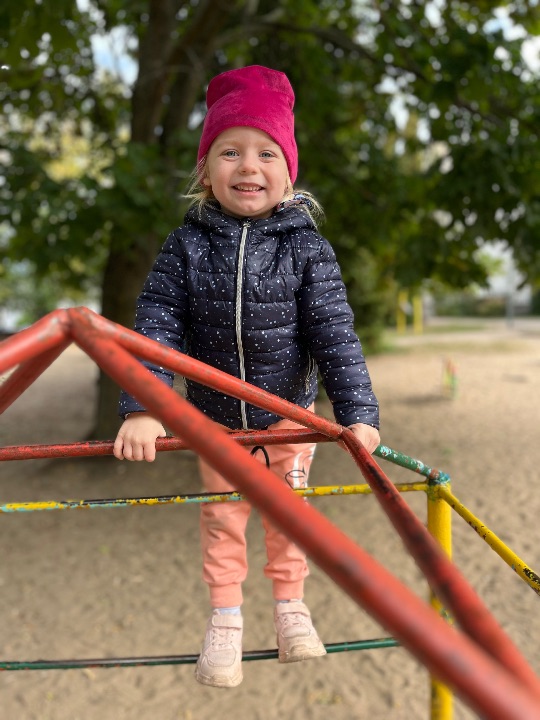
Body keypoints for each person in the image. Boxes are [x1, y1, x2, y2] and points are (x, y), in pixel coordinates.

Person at [113, 65, 380, 689]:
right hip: (216, 423)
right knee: (222, 519)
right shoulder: (185, 246)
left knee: (289, 515)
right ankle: (226, 621)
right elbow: (155, 327)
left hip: (288, 417)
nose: (247, 166)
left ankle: (291, 610)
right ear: (206, 171)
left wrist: (359, 416)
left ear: (288, 172)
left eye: (265, 152)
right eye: (229, 152)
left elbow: (335, 335)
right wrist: (142, 406)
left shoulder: (306, 249)